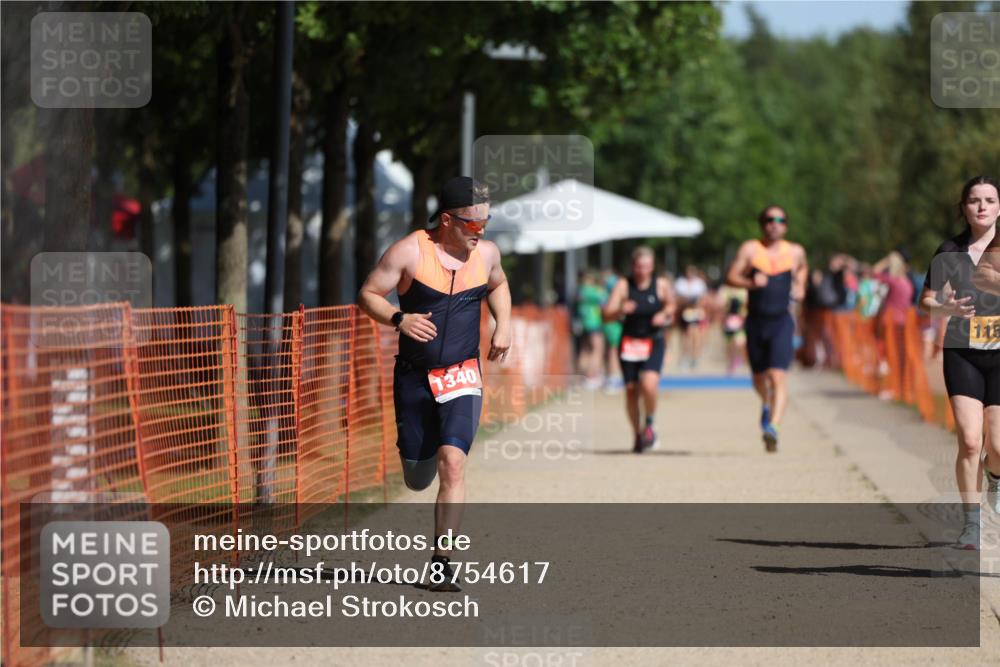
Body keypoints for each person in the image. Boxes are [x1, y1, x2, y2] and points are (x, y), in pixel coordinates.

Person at [357, 176, 511, 588]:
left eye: (486, 222)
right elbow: (369, 293)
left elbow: (498, 283)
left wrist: (504, 324)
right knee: (417, 476)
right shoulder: (409, 252)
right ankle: (414, 454)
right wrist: (398, 318)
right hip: (414, 379)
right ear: (447, 220)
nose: (481, 232)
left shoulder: (487, 254)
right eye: (473, 224)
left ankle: (442, 561)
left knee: (453, 463)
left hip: (462, 374)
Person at [919, 175, 1000, 550]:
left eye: (989, 199)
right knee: (970, 441)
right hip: (962, 350)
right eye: (974, 200)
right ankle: (972, 525)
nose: (981, 206)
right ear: (963, 208)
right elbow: (926, 301)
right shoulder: (948, 251)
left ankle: (995, 480)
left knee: (997, 447)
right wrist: (945, 307)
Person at [725, 205, 808, 452]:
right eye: (770, 220)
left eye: (780, 220)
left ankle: (774, 427)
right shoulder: (751, 249)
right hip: (755, 321)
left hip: (781, 322)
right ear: (763, 224)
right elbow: (730, 277)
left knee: (777, 375)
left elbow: (803, 268)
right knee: (759, 378)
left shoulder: (795, 251)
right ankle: (766, 402)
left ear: (786, 225)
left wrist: (801, 285)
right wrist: (750, 282)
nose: (775, 223)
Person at [603, 246, 675, 453]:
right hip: (629, 343)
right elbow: (606, 315)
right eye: (638, 266)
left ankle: (650, 422)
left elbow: (671, 305)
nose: (642, 270)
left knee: (649, 384)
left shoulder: (661, 285)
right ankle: (637, 434)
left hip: (654, 340)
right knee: (631, 391)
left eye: (646, 266)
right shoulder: (623, 285)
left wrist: (664, 314)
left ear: (652, 267)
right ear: (633, 266)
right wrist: (620, 310)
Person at [576, 271, 607, 388]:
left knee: (585, 349)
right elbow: (605, 302)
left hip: (584, 323)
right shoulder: (594, 291)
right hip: (594, 323)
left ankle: (582, 377)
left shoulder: (580, 291)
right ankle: (592, 376)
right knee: (597, 349)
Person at [674, 265, 709, 369]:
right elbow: (676, 298)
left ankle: (695, 357)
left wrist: (697, 303)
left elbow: (705, 299)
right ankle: (685, 356)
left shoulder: (699, 284)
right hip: (684, 312)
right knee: (686, 335)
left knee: (696, 335)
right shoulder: (680, 283)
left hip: (696, 312)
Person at [600, 269, 624, 391]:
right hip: (612, 324)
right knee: (613, 350)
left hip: (608, 324)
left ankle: (609, 376)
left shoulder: (603, 292)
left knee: (609, 350)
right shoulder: (611, 291)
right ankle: (613, 377)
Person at [717, 283, 748, 375]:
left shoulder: (743, 289)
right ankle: (730, 362)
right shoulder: (725, 289)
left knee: (739, 342)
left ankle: (738, 359)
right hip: (728, 319)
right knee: (729, 343)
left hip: (740, 319)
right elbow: (720, 306)